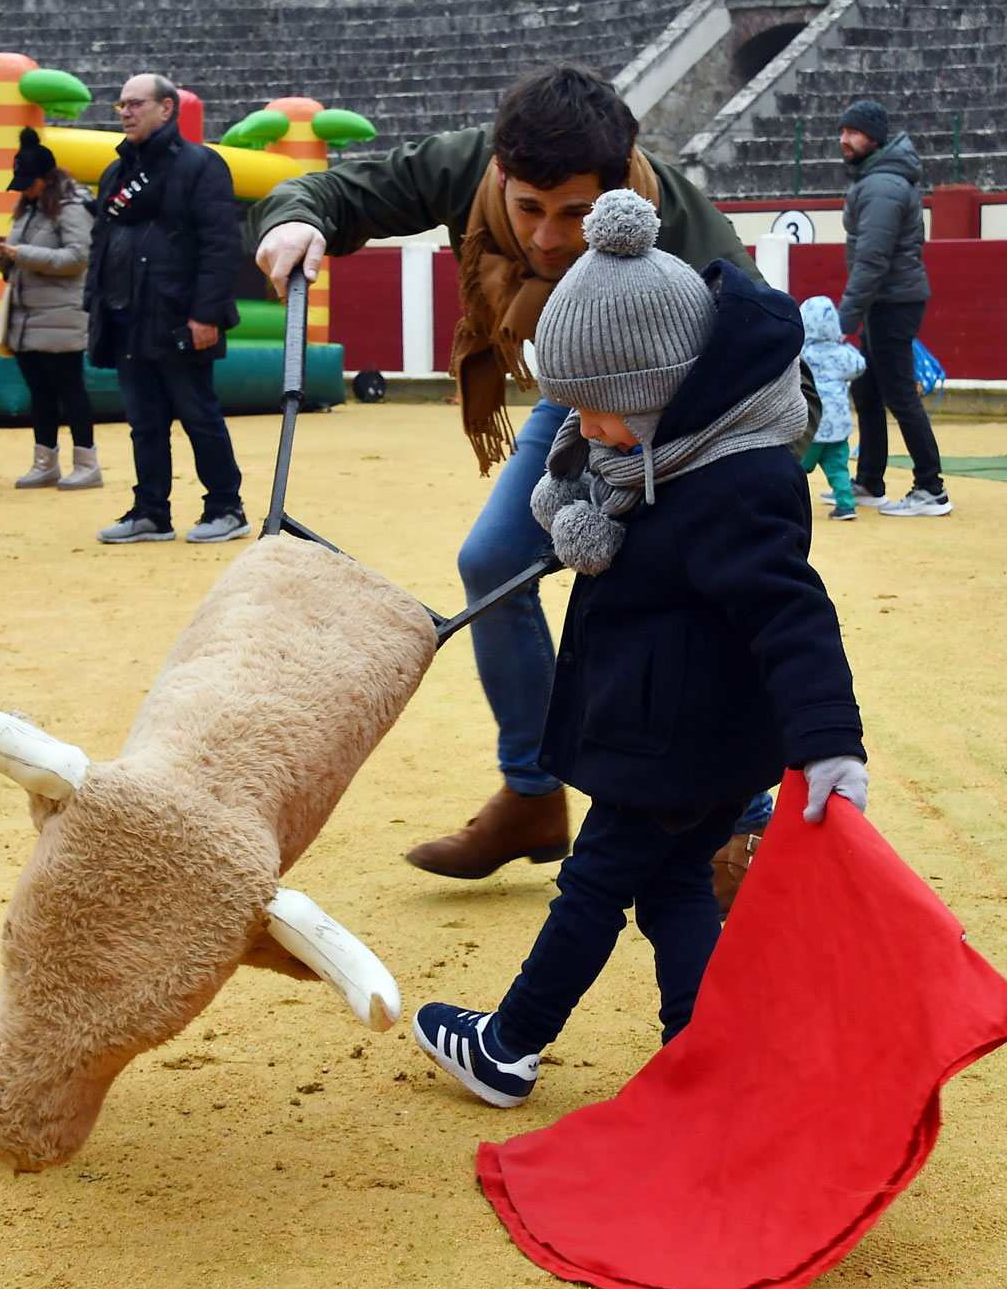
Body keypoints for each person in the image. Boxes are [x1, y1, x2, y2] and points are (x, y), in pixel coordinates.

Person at [255, 62, 800, 883]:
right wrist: (296, 219)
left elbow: (773, 365)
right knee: (492, 559)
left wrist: (697, 485)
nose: (547, 237)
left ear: (619, 191)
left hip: (692, 423)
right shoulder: (465, 164)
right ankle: (535, 790)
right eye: (529, 209)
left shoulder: (682, 222)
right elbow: (340, 192)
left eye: (576, 213)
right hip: (578, 395)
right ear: (500, 173)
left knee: (688, 596)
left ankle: (737, 821)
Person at [409, 191, 867, 1107]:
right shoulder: (666, 450)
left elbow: (793, 615)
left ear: (661, 388)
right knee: (671, 894)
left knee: (592, 887)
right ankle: (707, 1049)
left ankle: (509, 1043)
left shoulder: (735, 481)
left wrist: (829, 742)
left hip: (671, 741)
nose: (585, 429)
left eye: (601, 410)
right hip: (682, 736)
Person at [86, 74, 247, 543]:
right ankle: (151, 511)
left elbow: (220, 247)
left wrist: (206, 315)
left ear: (167, 109)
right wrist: (94, 306)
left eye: (135, 104)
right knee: (143, 422)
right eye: (121, 105)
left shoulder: (201, 165)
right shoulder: (115, 174)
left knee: (199, 415)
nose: (125, 112)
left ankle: (226, 507)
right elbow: (102, 242)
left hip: (180, 316)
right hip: (123, 316)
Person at [833, 100, 943, 517]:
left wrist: (846, 318)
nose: (843, 140)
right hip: (888, 299)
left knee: (900, 395)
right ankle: (869, 482)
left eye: (852, 132)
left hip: (891, 301)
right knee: (868, 388)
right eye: (842, 132)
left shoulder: (881, 185)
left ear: (874, 138)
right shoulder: (880, 179)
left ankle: (931, 488)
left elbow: (872, 259)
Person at [0, 128, 100, 490]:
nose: (23, 189)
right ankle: (45, 462)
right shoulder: (30, 209)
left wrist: (21, 254)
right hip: (27, 316)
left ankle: (86, 463)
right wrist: (1, 257)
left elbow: (79, 258)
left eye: (28, 182)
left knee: (70, 391)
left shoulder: (73, 207)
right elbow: (22, 263)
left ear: (47, 179)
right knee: (41, 393)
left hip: (62, 316)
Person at [799, 293, 865, 523]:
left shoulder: (802, 353)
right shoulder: (842, 354)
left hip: (811, 426)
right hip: (838, 425)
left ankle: (790, 505)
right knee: (838, 468)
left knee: (797, 468)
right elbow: (859, 365)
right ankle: (846, 506)